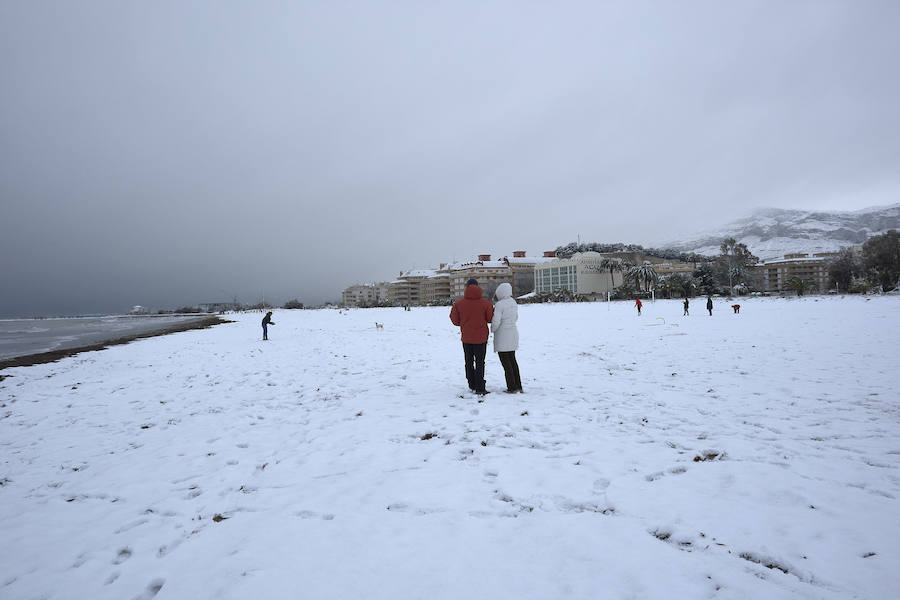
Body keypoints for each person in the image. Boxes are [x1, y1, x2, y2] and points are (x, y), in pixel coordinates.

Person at [450, 279, 494, 395]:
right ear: (478, 287)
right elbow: (490, 319)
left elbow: (454, 320)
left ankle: (471, 383)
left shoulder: (459, 304)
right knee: (480, 362)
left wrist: (464, 323)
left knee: (468, 361)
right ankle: (480, 387)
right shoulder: (486, 303)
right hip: (481, 338)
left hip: (466, 338)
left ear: (466, 287)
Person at [491, 282, 522, 394]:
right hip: (513, 335)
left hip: (502, 337)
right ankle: (518, 385)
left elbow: (496, 322)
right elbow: (516, 317)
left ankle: (511, 387)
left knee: (506, 364)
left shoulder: (499, 305)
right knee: (513, 361)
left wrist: (492, 329)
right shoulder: (513, 302)